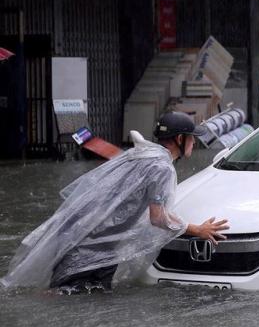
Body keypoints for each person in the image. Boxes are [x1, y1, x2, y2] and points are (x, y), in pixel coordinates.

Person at [0, 112, 229, 293]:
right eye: (192, 139)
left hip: (88, 236)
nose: (194, 144)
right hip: (95, 245)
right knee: (63, 297)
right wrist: (196, 229)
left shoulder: (143, 155)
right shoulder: (161, 167)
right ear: (180, 139)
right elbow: (158, 218)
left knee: (79, 298)